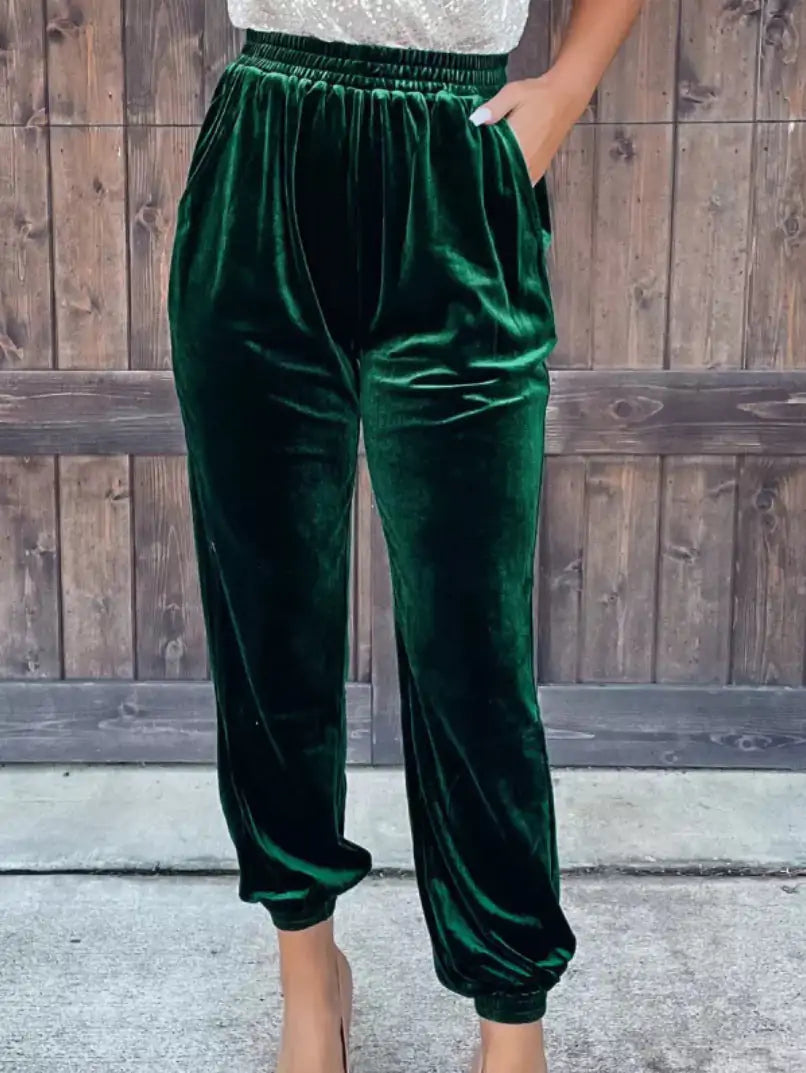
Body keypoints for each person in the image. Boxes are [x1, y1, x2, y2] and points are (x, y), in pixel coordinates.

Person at [168, 1, 643, 1070]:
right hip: (264, 153)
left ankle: (511, 1025)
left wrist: (567, 85)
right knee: (268, 620)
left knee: (471, 642)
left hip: (453, 160)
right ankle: (308, 983)